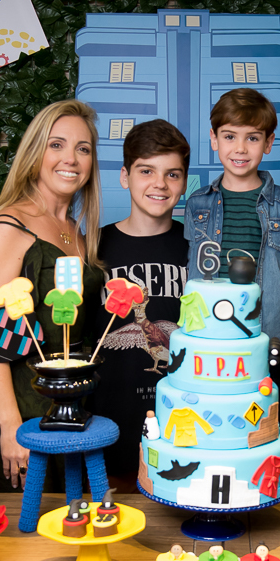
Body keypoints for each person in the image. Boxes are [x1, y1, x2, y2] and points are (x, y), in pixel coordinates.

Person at [0, 100, 104, 492]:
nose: (71, 159)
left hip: (65, 406)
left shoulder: (76, 231)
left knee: (70, 518)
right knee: (28, 522)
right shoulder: (8, 228)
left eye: (83, 149)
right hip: (17, 412)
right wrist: (10, 426)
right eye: (57, 145)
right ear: (35, 152)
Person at [184, 88, 280, 399]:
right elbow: (191, 270)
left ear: (268, 143)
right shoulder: (198, 203)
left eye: (252, 138)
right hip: (210, 330)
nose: (240, 148)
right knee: (216, 403)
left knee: (262, 405)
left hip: (266, 329)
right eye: (229, 136)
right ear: (214, 139)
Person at [87, 119, 191, 490]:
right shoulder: (92, 248)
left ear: (184, 182)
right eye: (146, 171)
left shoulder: (198, 248)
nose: (159, 184)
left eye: (172, 174)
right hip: (109, 429)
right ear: (124, 176)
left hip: (185, 426)